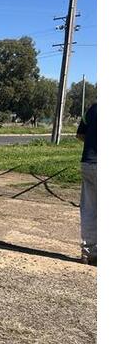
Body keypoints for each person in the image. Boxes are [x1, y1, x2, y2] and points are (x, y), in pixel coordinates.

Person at [76, 102, 97, 265]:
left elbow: (80, 134)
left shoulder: (93, 107)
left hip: (89, 163)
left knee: (89, 209)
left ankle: (89, 252)